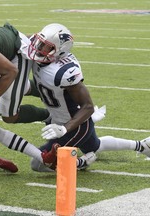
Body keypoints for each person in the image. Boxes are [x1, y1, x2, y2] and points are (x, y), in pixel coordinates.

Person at [23, 23, 150, 171]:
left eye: (45, 47)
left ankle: (80, 163)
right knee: (95, 145)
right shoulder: (41, 49)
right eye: (40, 43)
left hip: (74, 125)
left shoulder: (64, 72)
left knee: (38, 163)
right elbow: (23, 39)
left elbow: (88, 107)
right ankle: (142, 145)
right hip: (59, 117)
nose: (38, 49)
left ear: (60, 50)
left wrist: (65, 129)